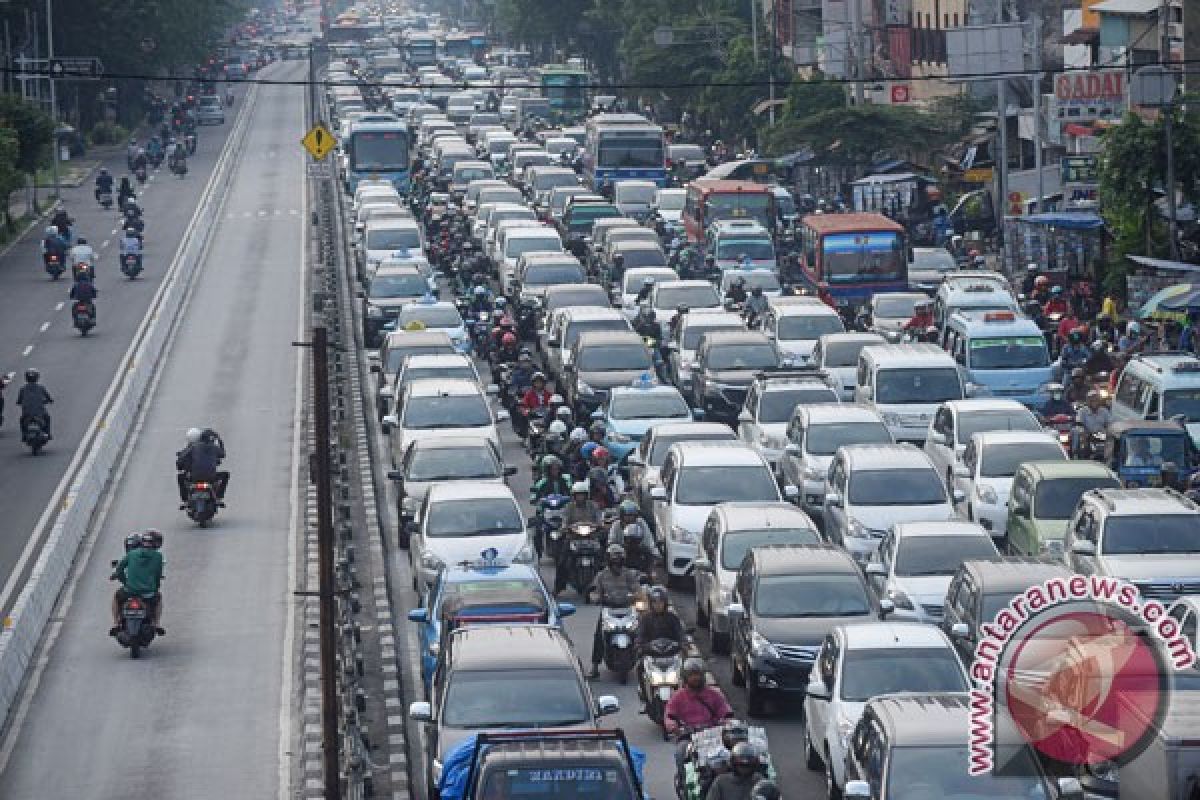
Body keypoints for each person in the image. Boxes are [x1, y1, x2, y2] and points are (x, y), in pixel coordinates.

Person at [588, 544, 645, 678]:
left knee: (642, 632)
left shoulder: (629, 574)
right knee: (598, 636)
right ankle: (594, 667)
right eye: (613, 560)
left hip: (628, 609)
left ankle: (645, 665)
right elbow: (594, 591)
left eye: (619, 560)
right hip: (609, 609)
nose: (616, 564)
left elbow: (638, 590)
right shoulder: (601, 575)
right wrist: (595, 598)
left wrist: (637, 595)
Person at [665, 658, 734, 764]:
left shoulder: (714, 694)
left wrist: (728, 722)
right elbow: (669, 715)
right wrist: (673, 727)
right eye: (691, 675)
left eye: (698, 674)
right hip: (689, 737)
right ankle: (683, 778)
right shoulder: (678, 696)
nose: (695, 677)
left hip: (713, 735)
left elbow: (726, 711)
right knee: (680, 753)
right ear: (685, 677)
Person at [111, 528, 165, 636]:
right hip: (148, 593)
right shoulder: (158, 556)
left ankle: (115, 623)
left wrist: (125, 582)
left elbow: (119, 570)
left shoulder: (131, 554)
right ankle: (157, 623)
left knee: (116, 597)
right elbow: (158, 575)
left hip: (130, 591)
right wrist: (155, 587)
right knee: (158, 598)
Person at [175, 426, 229, 505]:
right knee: (226, 474)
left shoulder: (193, 446)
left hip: (195, 477)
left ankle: (185, 499)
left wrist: (179, 464)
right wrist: (220, 441)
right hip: (211, 477)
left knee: (180, 477)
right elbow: (223, 454)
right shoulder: (214, 447)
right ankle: (219, 496)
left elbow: (182, 459)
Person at [1073, 390, 1112, 458]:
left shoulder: (1104, 411)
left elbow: (1109, 423)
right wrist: (1084, 432)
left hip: (1101, 436)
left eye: (1096, 400)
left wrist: (1108, 431)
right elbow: (1079, 424)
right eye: (1092, 400)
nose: (1094, 402)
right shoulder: (1082, 411)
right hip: (1087, 436)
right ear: (1088, 401)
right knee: (1083, 446)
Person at [16, 368, 52, 439]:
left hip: (27, 413)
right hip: (39, 412)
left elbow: (19, 400)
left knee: (21, 420)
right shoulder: (41, 387)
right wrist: (49, 400)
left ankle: (23, 435)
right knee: (47, 418)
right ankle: (48, 433)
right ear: (37, 377)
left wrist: (20, 402)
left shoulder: (22, 388)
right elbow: (48, 397)